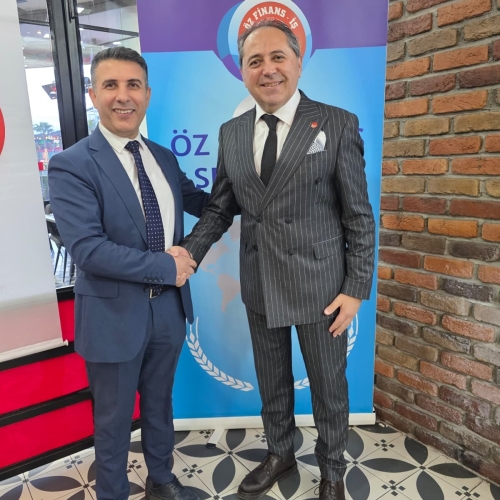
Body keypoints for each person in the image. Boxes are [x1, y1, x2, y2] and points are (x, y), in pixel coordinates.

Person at [180, 19, 375, 500]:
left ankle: (332, 471)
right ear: (243, 71)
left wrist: (355, 289)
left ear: (298, 62)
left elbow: (358, 215)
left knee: (329, 387)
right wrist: (188, 253)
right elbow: (220, 207)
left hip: (322, 287)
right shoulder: (231, 132)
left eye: (277, 57)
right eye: (255, 61)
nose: (267, 69)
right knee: (272, 381)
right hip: (261, 280)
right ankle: (280, 452)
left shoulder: (336, 123)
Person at [48, 47, 208, 500]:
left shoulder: (163, 157)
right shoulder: (72, 164)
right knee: (114, 419)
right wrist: (167, 266)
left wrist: (254, 186)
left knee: (160, 405)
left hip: (169, 313)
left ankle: (162, 479)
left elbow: (202, 202)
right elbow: (89, 250)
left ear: (147, 94)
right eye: (111, 85)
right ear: (93, 95)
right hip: (112, 317)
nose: (123, 96)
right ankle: (113, 493)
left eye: (133, 85)